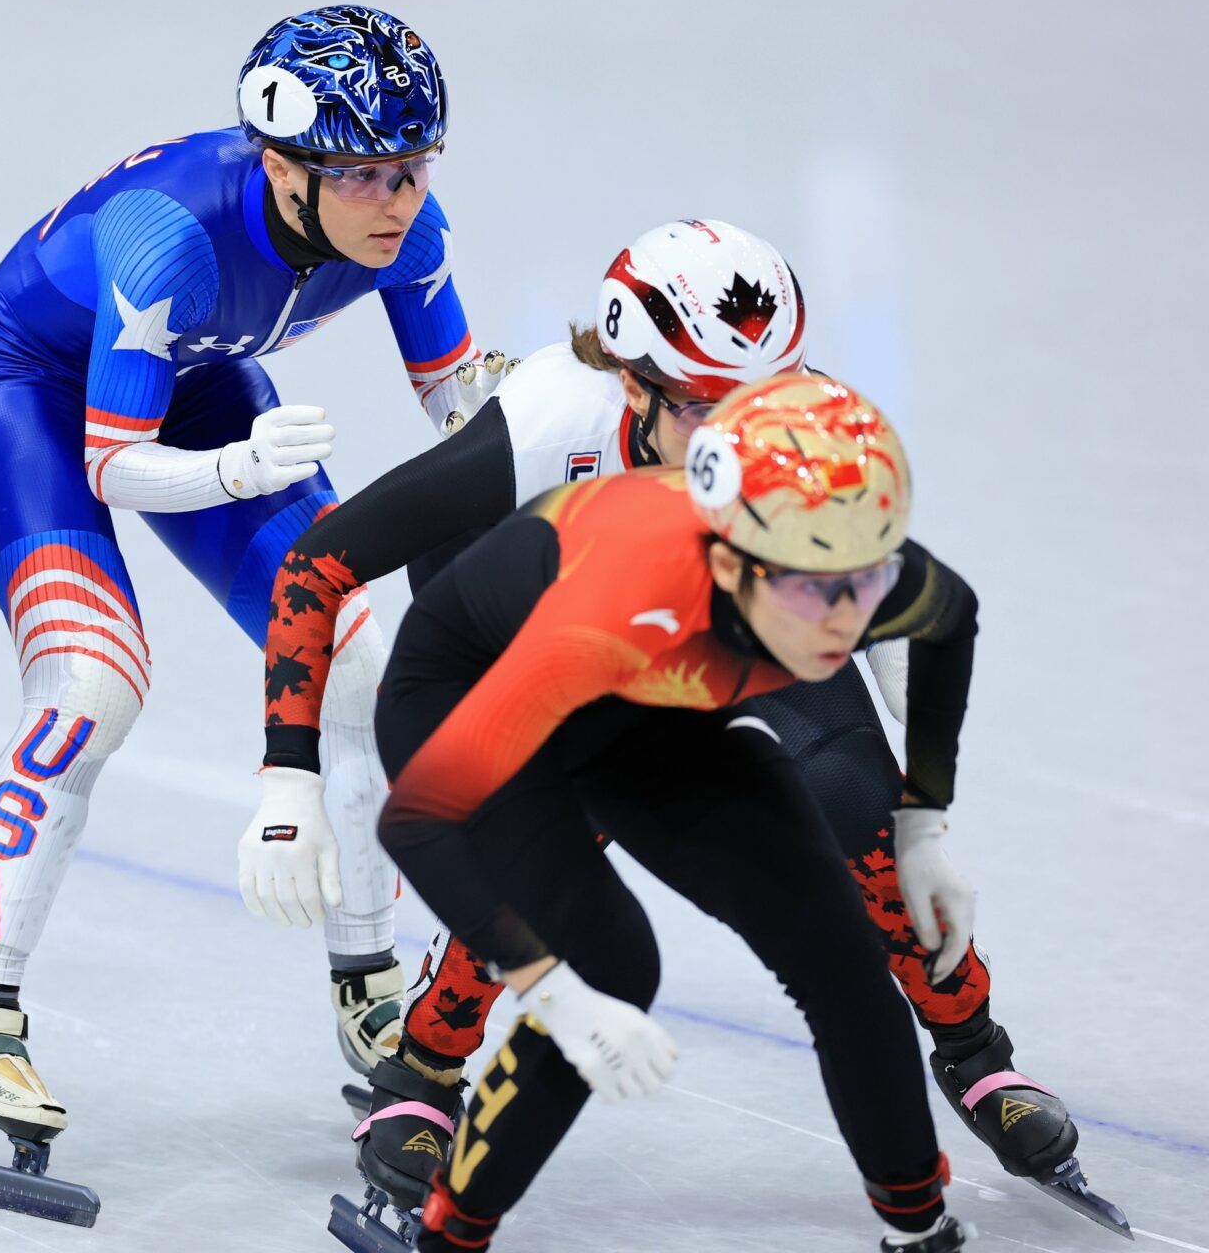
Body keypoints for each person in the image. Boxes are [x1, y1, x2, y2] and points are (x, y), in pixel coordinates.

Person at [258, 222, 1117, 1242]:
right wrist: (289, 779)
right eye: (711, 405)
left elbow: (934, 613)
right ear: (634, 389)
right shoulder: (547, 421)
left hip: (724, 597)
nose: (743, 430)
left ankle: (970, 1044)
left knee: (857, 807)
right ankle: (433, 1058)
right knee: (569, 847)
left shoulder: (789, 438)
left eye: (767, 397)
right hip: (542, 615)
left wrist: (923, 817)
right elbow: (320, 565)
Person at [0, 4, 483, 1215]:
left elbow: (463, 403)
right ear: (282, 166)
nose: (401, 200)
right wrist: (240, 469)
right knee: (91, 683)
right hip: (27, 390)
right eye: (370, 175)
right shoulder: (167, 235)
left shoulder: (405, 222)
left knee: (357, 666)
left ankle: (365, 983)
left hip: (199, 378)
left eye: (417, 168)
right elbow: (116, 465)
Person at [371, 375, 974, 1251]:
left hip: (646, 698)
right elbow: (414, 822)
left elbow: (949, 618)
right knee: (610, 963)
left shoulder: (837, 559)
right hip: (474, 696)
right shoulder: (616, 605)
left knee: (842, 950)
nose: (848, 619)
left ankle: (920, 1230)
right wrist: (550, 989)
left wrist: (922, 829)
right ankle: (450, 1235)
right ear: (730, 563)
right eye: (813, 591)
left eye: (867, 578)